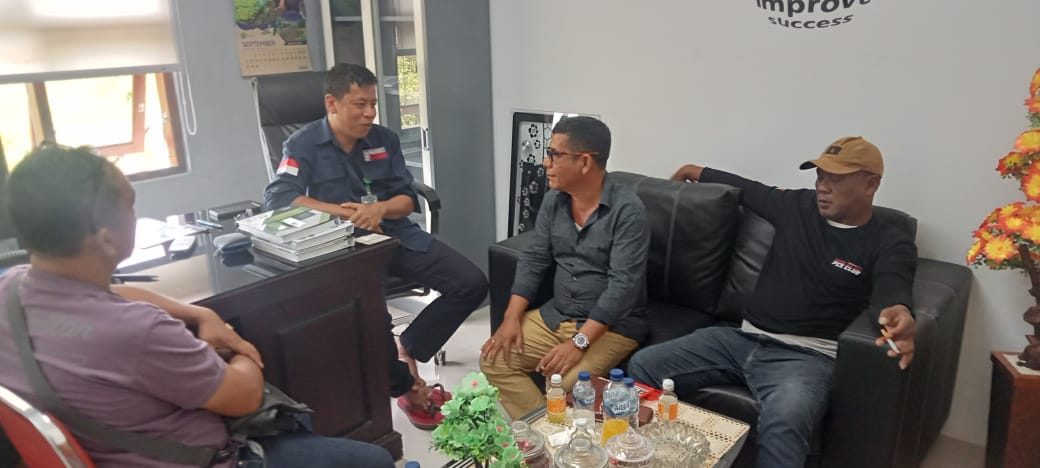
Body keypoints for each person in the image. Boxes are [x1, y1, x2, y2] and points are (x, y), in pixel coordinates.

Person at [0, 145, 395, 467]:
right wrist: (237, 348)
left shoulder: (11, 288)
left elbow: (114, 294)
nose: (135, 217)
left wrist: (199, 313)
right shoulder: (137, 332)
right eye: (131, 208)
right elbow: (244, 396)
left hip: (108, 450)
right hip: (208, 459)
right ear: (105, 239)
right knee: (372, 460)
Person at [628, 136, 917, 468]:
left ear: (871, 184)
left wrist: (899, 312)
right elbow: (749, 189)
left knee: (786, 418)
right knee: (644, 365)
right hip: (739, 340)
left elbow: (893, 288)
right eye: (820, 176)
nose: (823, 187)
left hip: (806, 357)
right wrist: (695, 170)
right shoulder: (798, 206)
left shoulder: (889, 239)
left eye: (836, 179)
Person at [263, 63, 488, 395]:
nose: (369, 113)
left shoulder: (385, 140)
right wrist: (345, 213)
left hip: (394, 236)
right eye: (360, 104)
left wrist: (378, 209)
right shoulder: (302, 144)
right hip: (344, 250)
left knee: (471, 283)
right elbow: (279, 199)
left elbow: (407, 200)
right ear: (332, 103)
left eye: (373, 104)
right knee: (373, 322)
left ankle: (409, 345)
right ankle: (404, 386)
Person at [479, 116, 650, 418]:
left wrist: (578, 343)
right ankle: (545, 429)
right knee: (494, 358)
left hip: (611, 327)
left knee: (567, 384)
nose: (546, 163)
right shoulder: (554, 200)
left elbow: (622, 286)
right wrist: (510, 317)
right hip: (556, 314)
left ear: (584, 162)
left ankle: (551, 428)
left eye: (555, 154)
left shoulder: (628, 211)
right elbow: (534, 258)